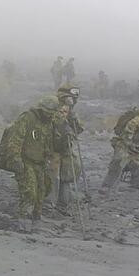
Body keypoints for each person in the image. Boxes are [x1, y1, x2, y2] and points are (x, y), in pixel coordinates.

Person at [0, 95, 65, 231]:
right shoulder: (27, 118)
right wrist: (15, 159)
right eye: (47, 112)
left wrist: (64, 133)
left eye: (51, 113)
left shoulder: (51, 122)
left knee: (41, 192)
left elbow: (55, 144)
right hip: (25, 160)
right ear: (41, 109)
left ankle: (36, 220)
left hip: (40, 162)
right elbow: (15, 139)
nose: (49, 115)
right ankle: (23, 221)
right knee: (29, 192)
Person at [45, 84, 83, 216]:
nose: (71, 100)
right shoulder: (52, 105)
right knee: (53, 176)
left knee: (68, 174)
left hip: (65, 147)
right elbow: (52, 123)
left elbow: (78, 129)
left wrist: (72, 117)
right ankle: (48, 205)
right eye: (69, 97)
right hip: (52, 147)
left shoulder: (71, 111)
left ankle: (63, 204)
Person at [101, 106, 139, 193]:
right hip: (123, 143)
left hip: (136, 148)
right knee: (117, 163)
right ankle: (106, 186)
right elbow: (131, 125)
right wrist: (129, 140)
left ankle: (135, 187)